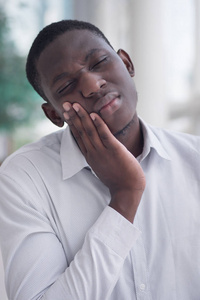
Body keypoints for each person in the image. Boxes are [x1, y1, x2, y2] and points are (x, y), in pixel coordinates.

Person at [0, 19, 200, 300]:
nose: (92, 85)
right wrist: (124, 196)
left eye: (99, 62)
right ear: (54, 114)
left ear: (127, 64)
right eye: (67, 85)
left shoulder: (195, 160)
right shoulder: (23, 178)